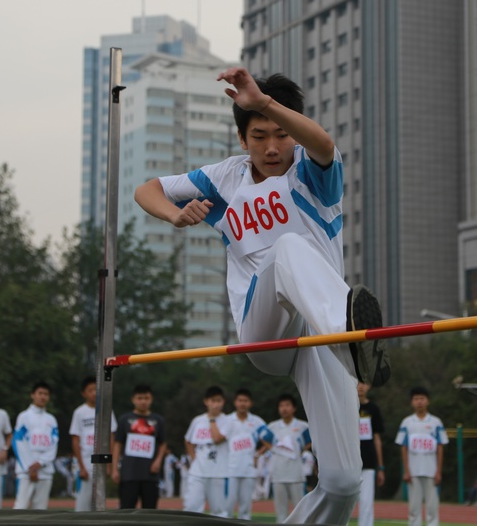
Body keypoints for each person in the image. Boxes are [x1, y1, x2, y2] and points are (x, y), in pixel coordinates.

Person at [134, 67, 391, 525]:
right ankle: (354, 342)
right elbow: (146, 189)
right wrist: (175, 215)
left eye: (281, 134)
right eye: (258, 136)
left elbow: (324, 144)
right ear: (242, 139)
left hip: (322, 335)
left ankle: (350, 345)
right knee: (287, 248)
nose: (272, 148)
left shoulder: (313, 172)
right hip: (265, 329)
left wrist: (265, 103)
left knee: (342, 482)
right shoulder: (225, 178)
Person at [395, 387, 448, 526]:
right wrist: (406, 471)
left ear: (428, 401)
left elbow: (440, 447)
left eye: (422, 398)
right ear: (412, 402)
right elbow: (403, 448)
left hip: (431, 472)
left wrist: (438, 471)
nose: (419, 402)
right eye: (416, 399)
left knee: (432, 509)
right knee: (414, 509)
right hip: (413, 472)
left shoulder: (436, 422)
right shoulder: (407, 422)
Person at [112, 384, 167, 510]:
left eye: (146, 398)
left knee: (150, 511)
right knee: (126, 510)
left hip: (150, 475)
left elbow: (163, 443)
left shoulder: (158, 420)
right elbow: (117, 444)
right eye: (140, 398)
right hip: (129, 474)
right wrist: (115, 469)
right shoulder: (125, 420)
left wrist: (158, 461)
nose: (143, 402)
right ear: (133, 399)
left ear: (151, 399)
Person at [259, 393, 311, 522]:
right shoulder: (273, 426)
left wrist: (301, 451)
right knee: (281, 513)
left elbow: (311, 441)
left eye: (287, 405)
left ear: (294, 408)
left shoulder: (302, 426)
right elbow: (263, 438)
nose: (284, 408)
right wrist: (273, 449)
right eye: (281, 406)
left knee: (300, 511)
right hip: (278, 474)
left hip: (296, 474)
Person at [69, 376, 118, 512]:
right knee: (82, 504)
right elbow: (75, 440)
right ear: (83, 393)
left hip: (101, 461)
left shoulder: (107, 410)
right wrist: (81, 467)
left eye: (96, 389)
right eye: (90, 390)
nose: (94, 393)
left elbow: (111, 438)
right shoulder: (79, 412)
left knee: (99, 504)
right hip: (85, 462)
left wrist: (109, 464)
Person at [183, 385, 232, 517]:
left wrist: (212, 419)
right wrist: (194, 458)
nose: (215, 404)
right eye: (212, 400)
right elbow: (188, 440)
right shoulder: (197, 420)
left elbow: (217, 438)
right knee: (191, 508)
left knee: (219, 511)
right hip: (197, 473)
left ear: (223, 402)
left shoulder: (228, 421)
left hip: (217, 473)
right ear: (206, 402)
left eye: (219, 401)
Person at [12, 381, 59, 510]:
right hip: (25, 472)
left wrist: (41, 462)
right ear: (32, 395)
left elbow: (54, 444)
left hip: (45, 471)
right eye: (40, 393)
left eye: (46, 394)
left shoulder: (51, 419)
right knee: (20, 507)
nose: (43, 397)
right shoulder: (24, 417)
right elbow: (18, 442)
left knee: (40, 510)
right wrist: (31, 468)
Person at [226, 388, 267, 520]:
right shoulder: (227, 420)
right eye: (240, 400)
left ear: (250, 403)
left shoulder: (257, 421)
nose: (242, 403)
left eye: (245, 401)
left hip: (249, 470)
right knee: (228, 506)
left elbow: (269, 440)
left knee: (245, 508)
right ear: (235, 402)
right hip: (229, 470)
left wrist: (257, 454)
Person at [356, 381, 386, 526]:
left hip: (368, 462)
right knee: (344, 501)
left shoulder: (373, 409)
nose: (361, 386)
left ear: (369, 386)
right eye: (357, 383)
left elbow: (377, 438)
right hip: (348, 462)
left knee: (366, 502)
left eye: (364, 383)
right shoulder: (345, 406)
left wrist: (380, 467)